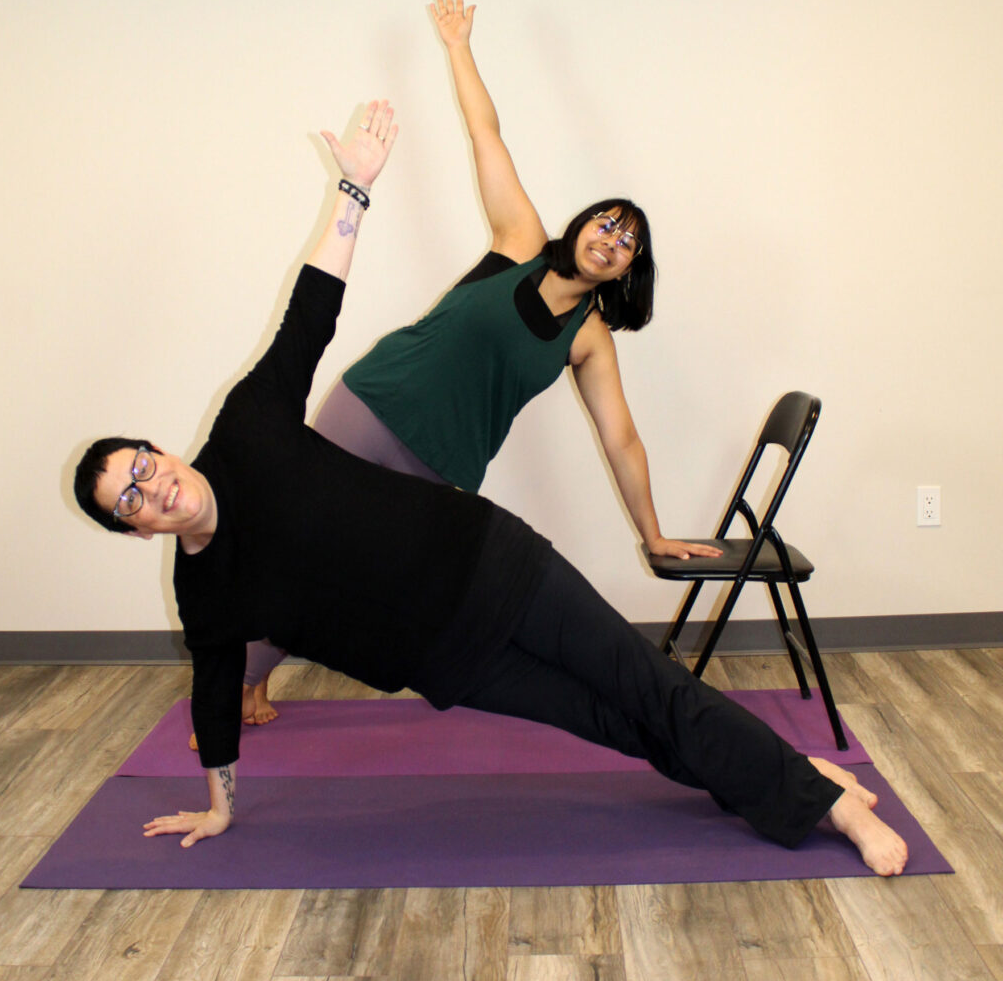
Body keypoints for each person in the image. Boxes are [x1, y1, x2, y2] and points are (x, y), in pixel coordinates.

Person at [72, 99, 908, 876]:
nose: (153, 490)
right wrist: (218, 807)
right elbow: (213, 690)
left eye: (143, 468)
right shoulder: (204, 587)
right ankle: (791, 773)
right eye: (130, 501)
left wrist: (355, 190)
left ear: (158, 450)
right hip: (449, 659)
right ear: (134, 531)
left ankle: (822, 800)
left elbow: (311, 309)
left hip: (493, 565)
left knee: (645, 687)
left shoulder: (248, 425)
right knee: (618, 723)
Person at [234, 0, 722, 729]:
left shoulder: (588, 338)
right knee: (297, 537)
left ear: (627, 273)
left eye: (628, 244)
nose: (612, 240)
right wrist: (458, 46)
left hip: (445, 463)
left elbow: (621, 438)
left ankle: (283, 663)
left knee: (362, 573)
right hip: (373, 404)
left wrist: (651, 533)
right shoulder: (520, 239)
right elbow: (484, 133)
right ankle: (242, 678)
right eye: (607, 223)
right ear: (581, 222)